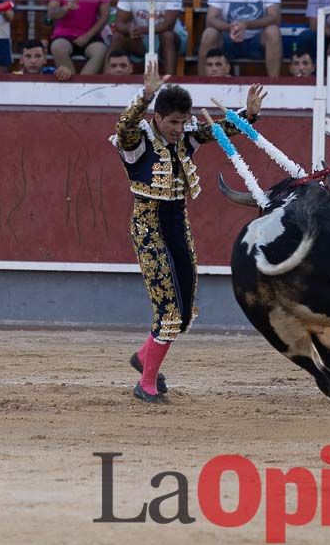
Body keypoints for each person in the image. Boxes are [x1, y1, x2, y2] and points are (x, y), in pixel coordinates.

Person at [113, 64, 265, 402]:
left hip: (178, 225)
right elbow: (123, 125)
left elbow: (218, 130)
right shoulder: (136, 139)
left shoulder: (185, 136)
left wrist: (248, 115)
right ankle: (146, 384)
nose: (180, 130)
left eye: (184, 122)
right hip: (149, 227)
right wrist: (146, 95)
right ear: (157, 117)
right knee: (168, 310)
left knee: (182, 315)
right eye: (173, 123)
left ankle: (143, 358)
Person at [198, 0, 283, 77]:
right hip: (228, 39)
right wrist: (231, 27)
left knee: (273, 31)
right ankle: (201, 84)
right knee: (209, 33)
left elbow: (275, 17)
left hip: (257, 41)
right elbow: (210, 19)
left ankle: (274, 85)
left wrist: (246, 25)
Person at [110, 0, 188, 74]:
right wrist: (129, 29)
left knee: (167, 36)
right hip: (141, 40)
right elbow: (119, 23)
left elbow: (168, 25)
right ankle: (104, 79)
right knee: (117, 37)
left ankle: (169, 84)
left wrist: (143, 29)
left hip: (169, 39)